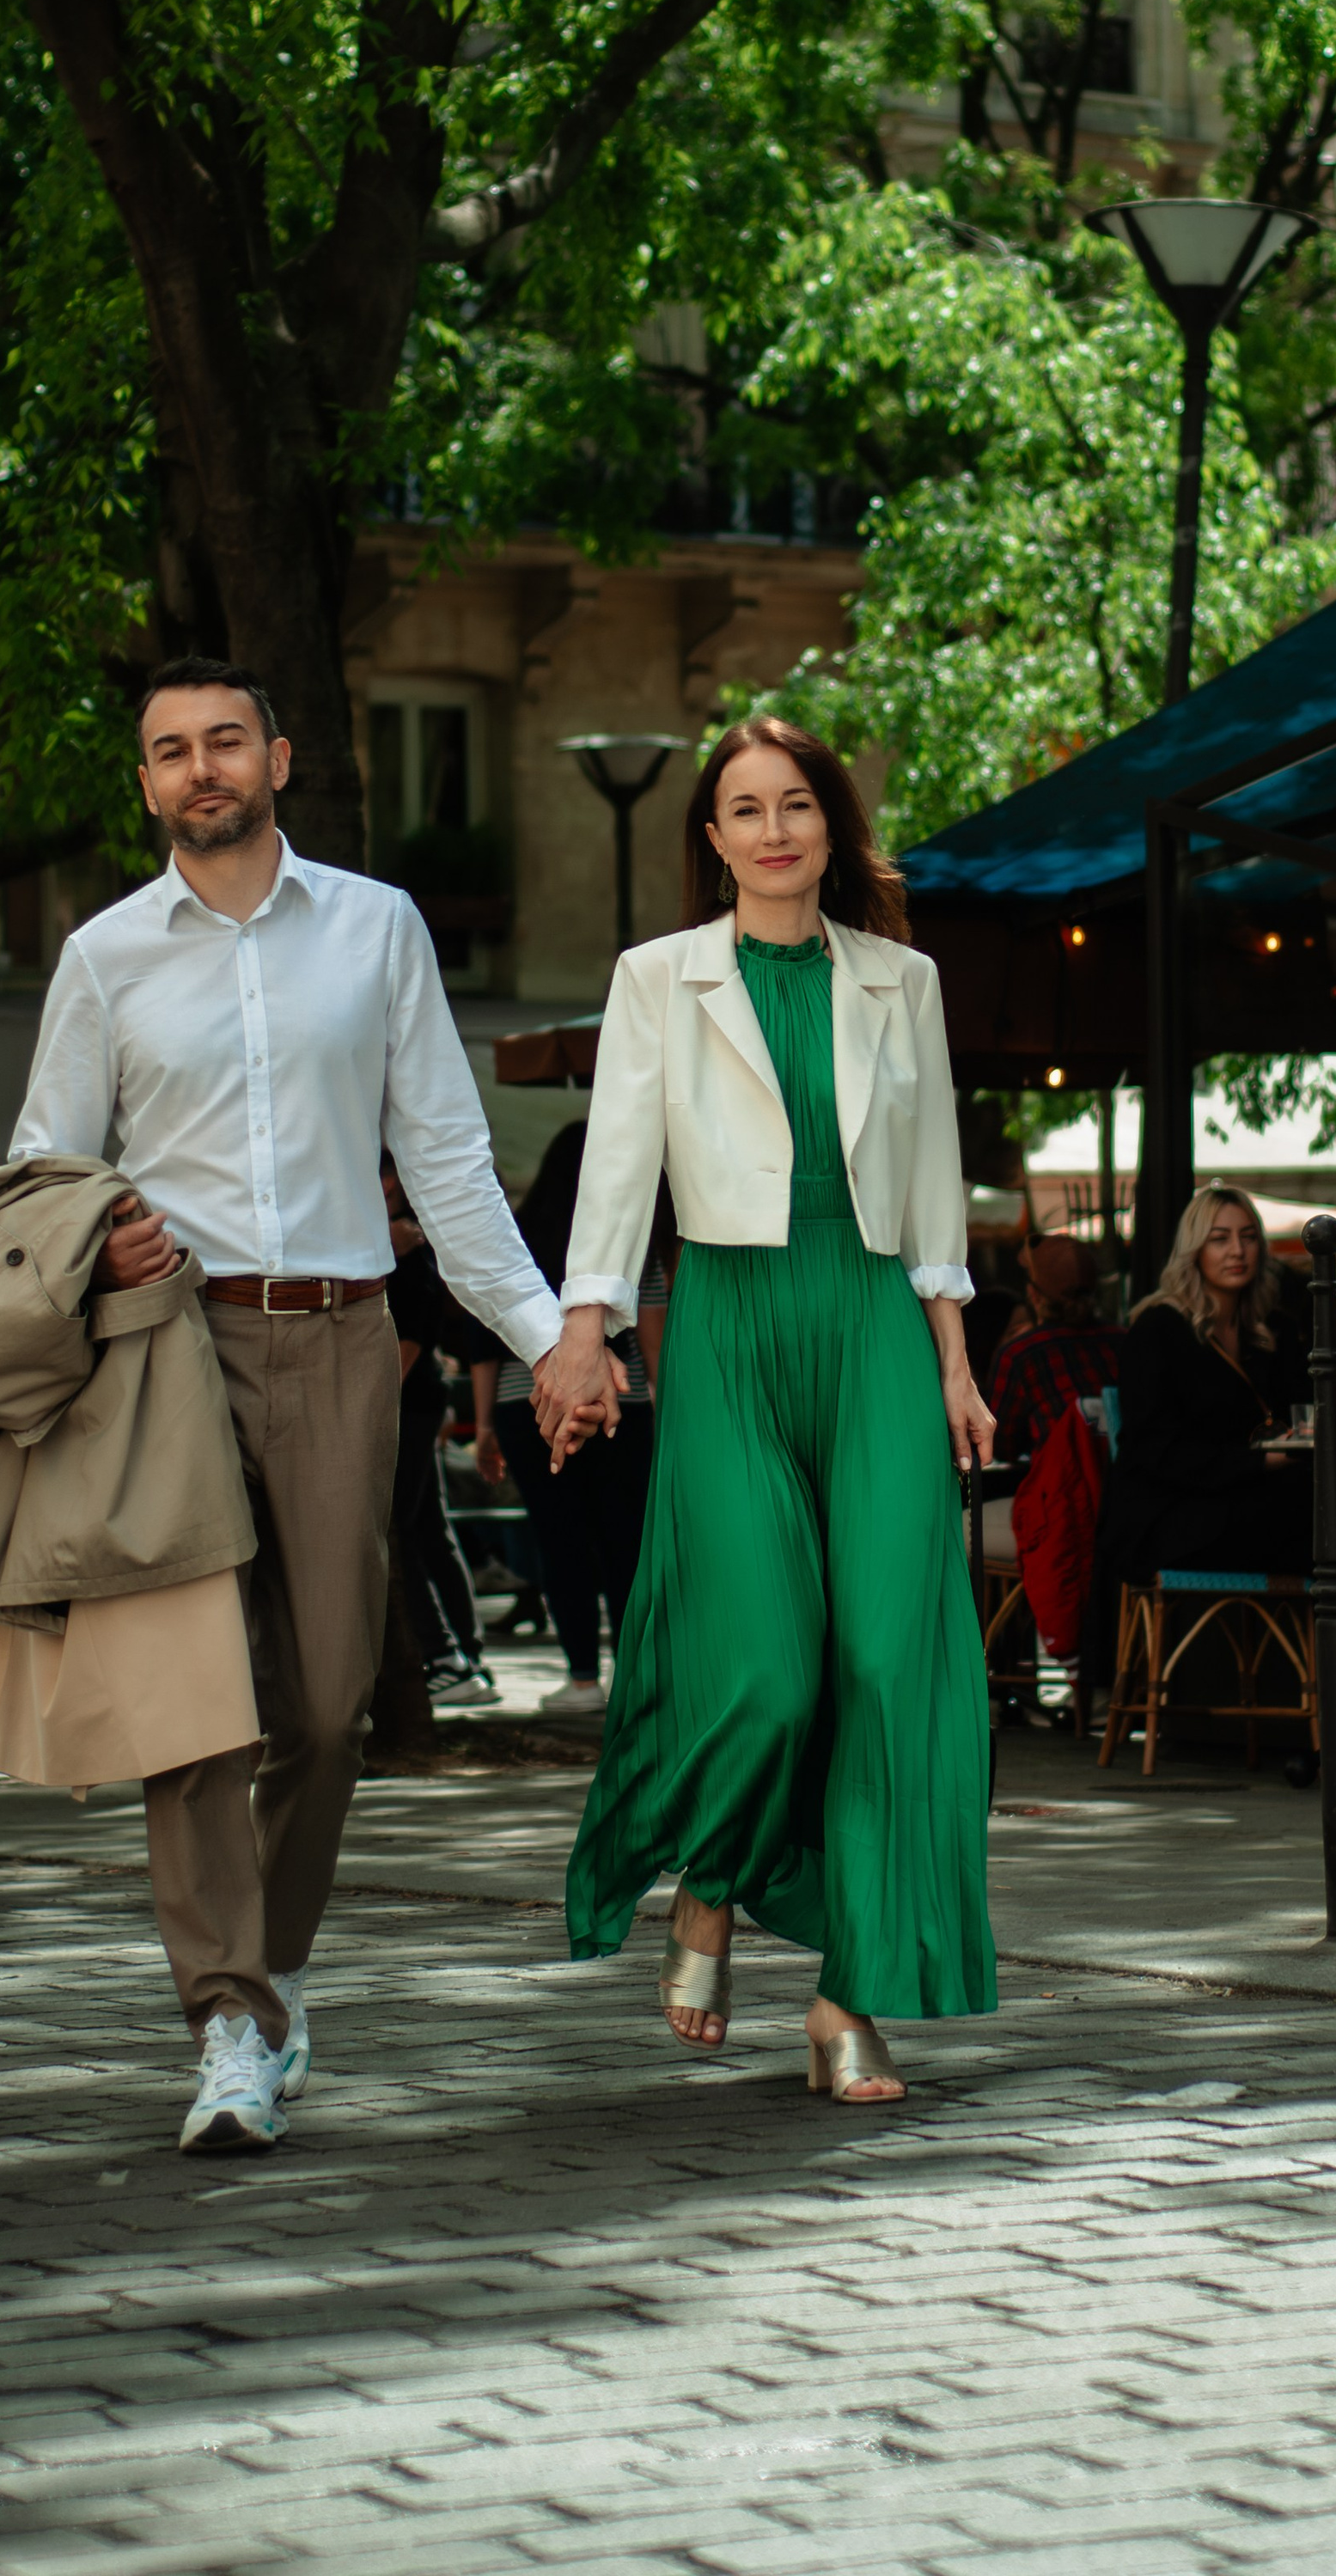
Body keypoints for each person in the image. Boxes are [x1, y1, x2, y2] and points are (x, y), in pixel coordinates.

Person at [9, 656, 572, 2154]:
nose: (201, 769)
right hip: (166, 1354)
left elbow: (447, 1161)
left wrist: (543, 1336)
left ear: (280, 757)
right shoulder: (105, 958)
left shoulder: (377, 930)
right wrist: (98, 1233)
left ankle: (278, 1965)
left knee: (326, 1706)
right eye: (170, 751)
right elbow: (43, 1172)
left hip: (341, 1340)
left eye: (225, 743)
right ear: (145, 782)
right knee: (199, 1708)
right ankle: (230, 2021)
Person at [537, 716, 996, 2104]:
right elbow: (617, 1164)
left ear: (828, 825)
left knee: (890, 1670)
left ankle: (851, 2000)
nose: (774, 829)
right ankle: (713, 1880)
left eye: (796, 804)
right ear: (715, 839)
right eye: (745, 809)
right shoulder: (656, 982)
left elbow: (932, 1189)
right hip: (730, 1329)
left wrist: (958, 1365)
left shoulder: (898, 982)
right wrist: (585, 1333)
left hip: (872, 1333)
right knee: (768, 1674)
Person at [481, 1120, 656, 1717]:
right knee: (623, 1541)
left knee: (561, 1540)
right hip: (621, 1403)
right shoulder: (628, 1245)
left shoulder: (521, 1239)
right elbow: (653, 1335)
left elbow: (485, 1341)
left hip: (523, 1400)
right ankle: (634, 1676)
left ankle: (582, 1680)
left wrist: (483, 1426)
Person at [1100, 1184, 1301, 1582]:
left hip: (1241, 1498)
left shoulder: (1270, 1332)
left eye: (1248, 1237)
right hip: (1167, 1512)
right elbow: (1155, 1450)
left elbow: (1300, 1412)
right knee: (1326, 1515)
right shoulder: (1157, 1328)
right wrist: (1263, 1459)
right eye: (1220, 1239)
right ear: (1194, 1250)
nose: (1237, 1251)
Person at [381, 1153, 492, 1694]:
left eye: (389, 1175)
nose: (383, 1184)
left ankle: (446, 1653)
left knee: (400, 1525)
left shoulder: (410, 1248)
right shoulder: (387, 1244)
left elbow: (411, 1339)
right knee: (426, 1525)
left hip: (410, 1400)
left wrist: (372, 1406)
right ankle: (464, 1654)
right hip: (418, 1397)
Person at [990, 1232, 1123, 1470]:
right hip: (1131, 1488)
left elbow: (1001, 1445)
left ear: (1034, 1294)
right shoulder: (1125, 1340)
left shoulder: (1020, 1354)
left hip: (1063, 1495)